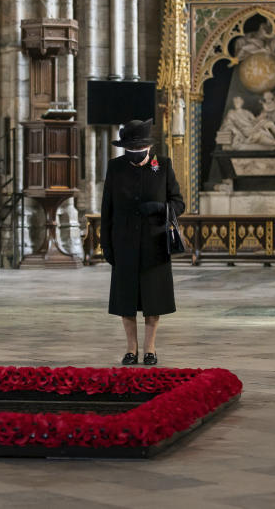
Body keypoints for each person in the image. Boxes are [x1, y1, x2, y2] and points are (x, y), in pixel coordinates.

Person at [100, 118, 185, 366]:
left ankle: (150, 348)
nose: (135, 155)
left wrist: (161, 208)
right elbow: (107, 209)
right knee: (126, 298)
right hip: (123, 242)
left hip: (154, 243)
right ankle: (131, 348)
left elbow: (179, 202)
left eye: (139, 151)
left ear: (148, 147)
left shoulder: (164, 166)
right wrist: (106, 244)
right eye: (131, 151)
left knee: (152, 298)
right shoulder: (115, 168)